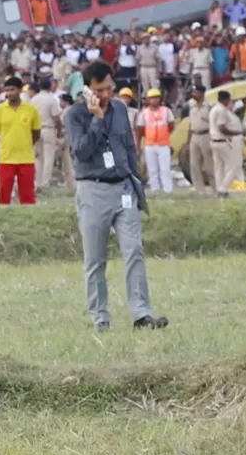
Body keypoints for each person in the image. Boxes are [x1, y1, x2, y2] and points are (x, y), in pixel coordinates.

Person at [67, 62, 167, 333]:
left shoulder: (121, 108)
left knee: (134, 250)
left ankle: (142, 314)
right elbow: (81, 151)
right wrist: (97, 118)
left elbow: (128, 147)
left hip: (123, 187)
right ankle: (100, 317)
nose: (106, 94)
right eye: (99, 90)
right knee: (95, 258)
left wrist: (137, 184)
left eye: (109, 88)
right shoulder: (75, 114)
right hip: (93, 188)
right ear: (88, 89)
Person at [0, 77, 42, 206]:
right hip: (5, 159)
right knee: (4, 197)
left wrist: (26, 144)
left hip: (26, 158)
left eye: (12, 90)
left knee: (28, 197)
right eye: (7, 90)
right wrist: (5, 145)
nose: (9, 93)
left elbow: (36, 133)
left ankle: (28, 217)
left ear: (20, 90)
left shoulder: (31, 109)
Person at [209, 89, 246, 195]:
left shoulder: (213, 109)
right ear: (225, 100)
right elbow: (222, 128)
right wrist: (236, 133)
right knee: (234, 166)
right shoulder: (221, 110)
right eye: (229, 100)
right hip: (222, 141)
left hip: (213, 141)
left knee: (219, 167)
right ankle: (223, 188)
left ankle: (219, 189)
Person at [138, 89, 175, 193]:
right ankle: (155, 189)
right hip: (150, 144)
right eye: (152, 98)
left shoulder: (166, 111)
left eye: (156, 98)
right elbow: (140, 128)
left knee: (165, 169)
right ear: (148, 100)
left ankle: (168, 190)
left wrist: (164, 134)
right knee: (152, 169)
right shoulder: (144, 113)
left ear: (160, 99)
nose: (154, 100)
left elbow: (171, 125)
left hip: (163, 144)